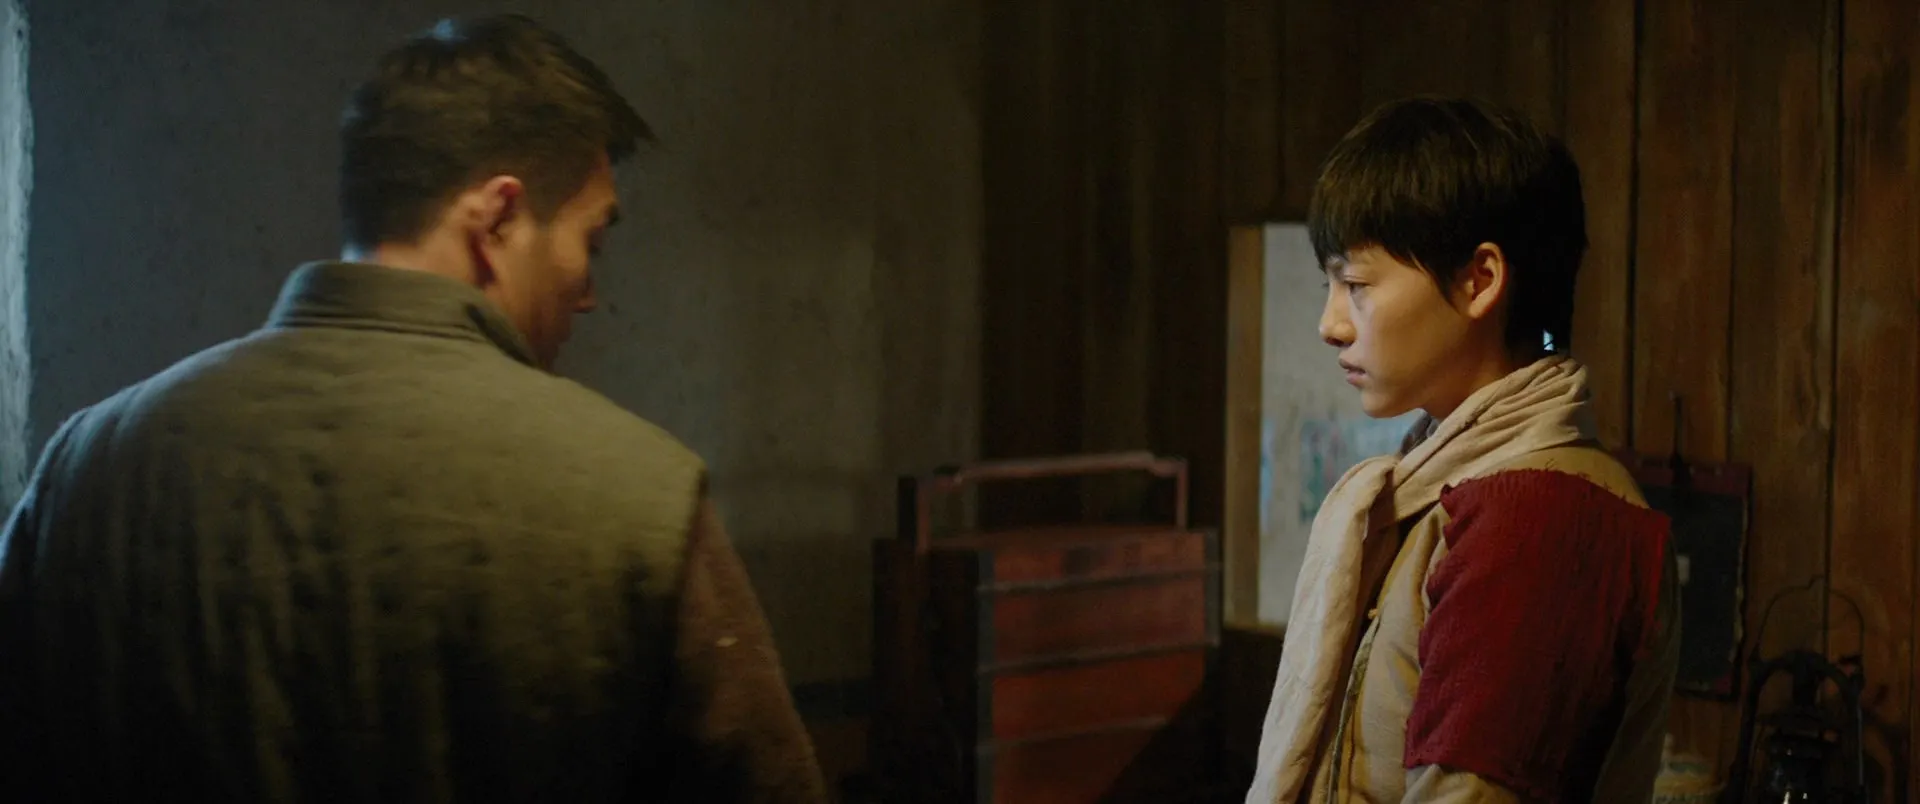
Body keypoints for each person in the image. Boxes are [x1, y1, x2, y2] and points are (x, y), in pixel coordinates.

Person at [0, 14, 828, 803]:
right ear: (499, 217)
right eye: (591, 242)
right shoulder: (639, 494)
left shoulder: (85, 463)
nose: (588, 294)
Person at [1245, 97, 1680, 803]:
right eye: (1331, 285)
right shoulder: (1447, 483)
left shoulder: (1538, 517)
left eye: (1356, 285)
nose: (1330, 324)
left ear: (1480, 280)